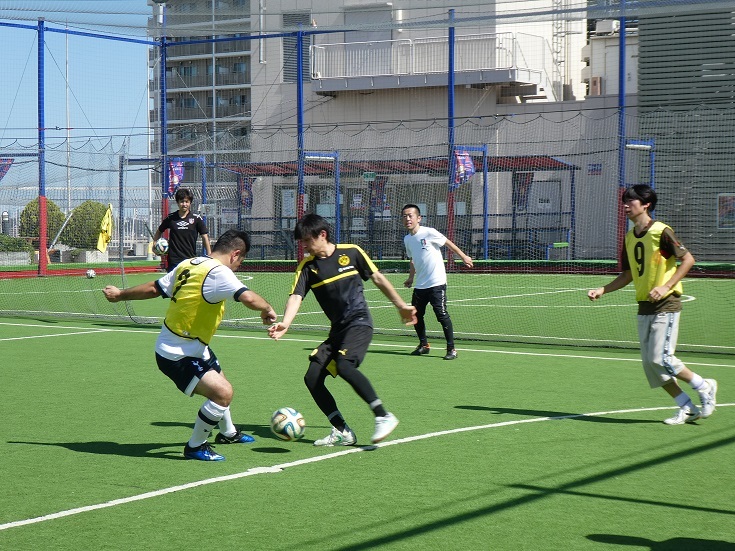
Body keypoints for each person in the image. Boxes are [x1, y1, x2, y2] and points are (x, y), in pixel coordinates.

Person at [103, 229, 277, 460]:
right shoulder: (220, 272)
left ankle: (228, 433)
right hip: (177, 354)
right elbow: (248, 297)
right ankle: (195, 446)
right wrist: (267, 309)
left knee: (220, 381)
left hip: (192, 345)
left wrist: (121, 294)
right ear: (235, 254)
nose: (238, 267)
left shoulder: (190, 263)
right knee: (223, 393)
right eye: (240, 262)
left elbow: (155, 288)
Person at [268, 213, 417, 447]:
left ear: (322, 235)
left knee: (345, 366)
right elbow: (296, 296)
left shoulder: (352, 252)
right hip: (337, 331)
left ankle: (383, 415)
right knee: (312, 378)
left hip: (359, 323)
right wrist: (285, 322)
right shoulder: (307, 267)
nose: (303, 246)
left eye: (306, 240)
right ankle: (342, 431)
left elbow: (378, 278)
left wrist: (401, 306)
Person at [586, 184, 717, 425]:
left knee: (662, 359)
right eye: (625, 201)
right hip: (644, 306)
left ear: (646, 205)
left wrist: (666, 286)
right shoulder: (629, 237)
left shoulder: (661, 231)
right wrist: (603, 289)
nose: (626, 205)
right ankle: (686, 407)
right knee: (651, 365)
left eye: (631, 201)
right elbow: (628, 275)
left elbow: (688, 259)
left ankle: (703, 386)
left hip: (666, 304)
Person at [401, 203, 474, 360]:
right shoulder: (407, 239)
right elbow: (413, 260)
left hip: (436, 283)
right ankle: (424, 345)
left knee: (441, 314)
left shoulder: (429, 232)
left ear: (418, 218)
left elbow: (448, 243)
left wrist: (463, 256)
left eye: (410, 215)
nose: (407, 219)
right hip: (420, 285)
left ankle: (451, 349)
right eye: (404, 216)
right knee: (415, 315)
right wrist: (411, 277)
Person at [154, 187, 212, 272]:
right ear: (177, 202)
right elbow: (159, 231)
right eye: (182, 201)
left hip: (190, 259)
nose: (184, 204)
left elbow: (205, 237)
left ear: (190, 202)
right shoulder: (171, 218)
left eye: (186, 202)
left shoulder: (196, 219)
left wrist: (210, 254)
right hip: (173, 260)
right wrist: (154, 245)